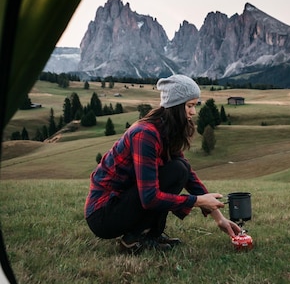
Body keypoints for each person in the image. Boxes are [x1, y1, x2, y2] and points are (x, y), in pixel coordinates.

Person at [84, 74, 241, 254]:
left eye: (195, 106)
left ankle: (150, 235)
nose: (193, 112)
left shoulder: (164, 131)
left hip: (122, 202)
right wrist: (197, 201)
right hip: (104, 214)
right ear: (175, 106)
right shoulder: (145, 134)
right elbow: (149, 197)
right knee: (174, 172)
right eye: (189, 106)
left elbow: (188, 175)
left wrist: (219, 218)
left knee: (180, 170)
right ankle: (134, 239)